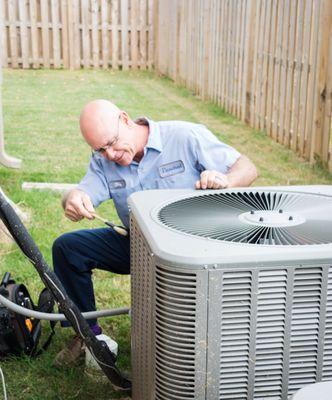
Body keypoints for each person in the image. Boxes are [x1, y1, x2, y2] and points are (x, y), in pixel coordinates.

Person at [52, 99, 257, 366]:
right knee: (68, 248)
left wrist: (226, 181)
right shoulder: (103, 159)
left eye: (112, 144)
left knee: (170, 337)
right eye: (100, 149)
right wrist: (73, 197)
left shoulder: (184, 136)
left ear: (125, 120)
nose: (110, 155)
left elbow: (248, 168)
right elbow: (83, 190)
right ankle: (87, 337)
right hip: (136, 245)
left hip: (190, 249)